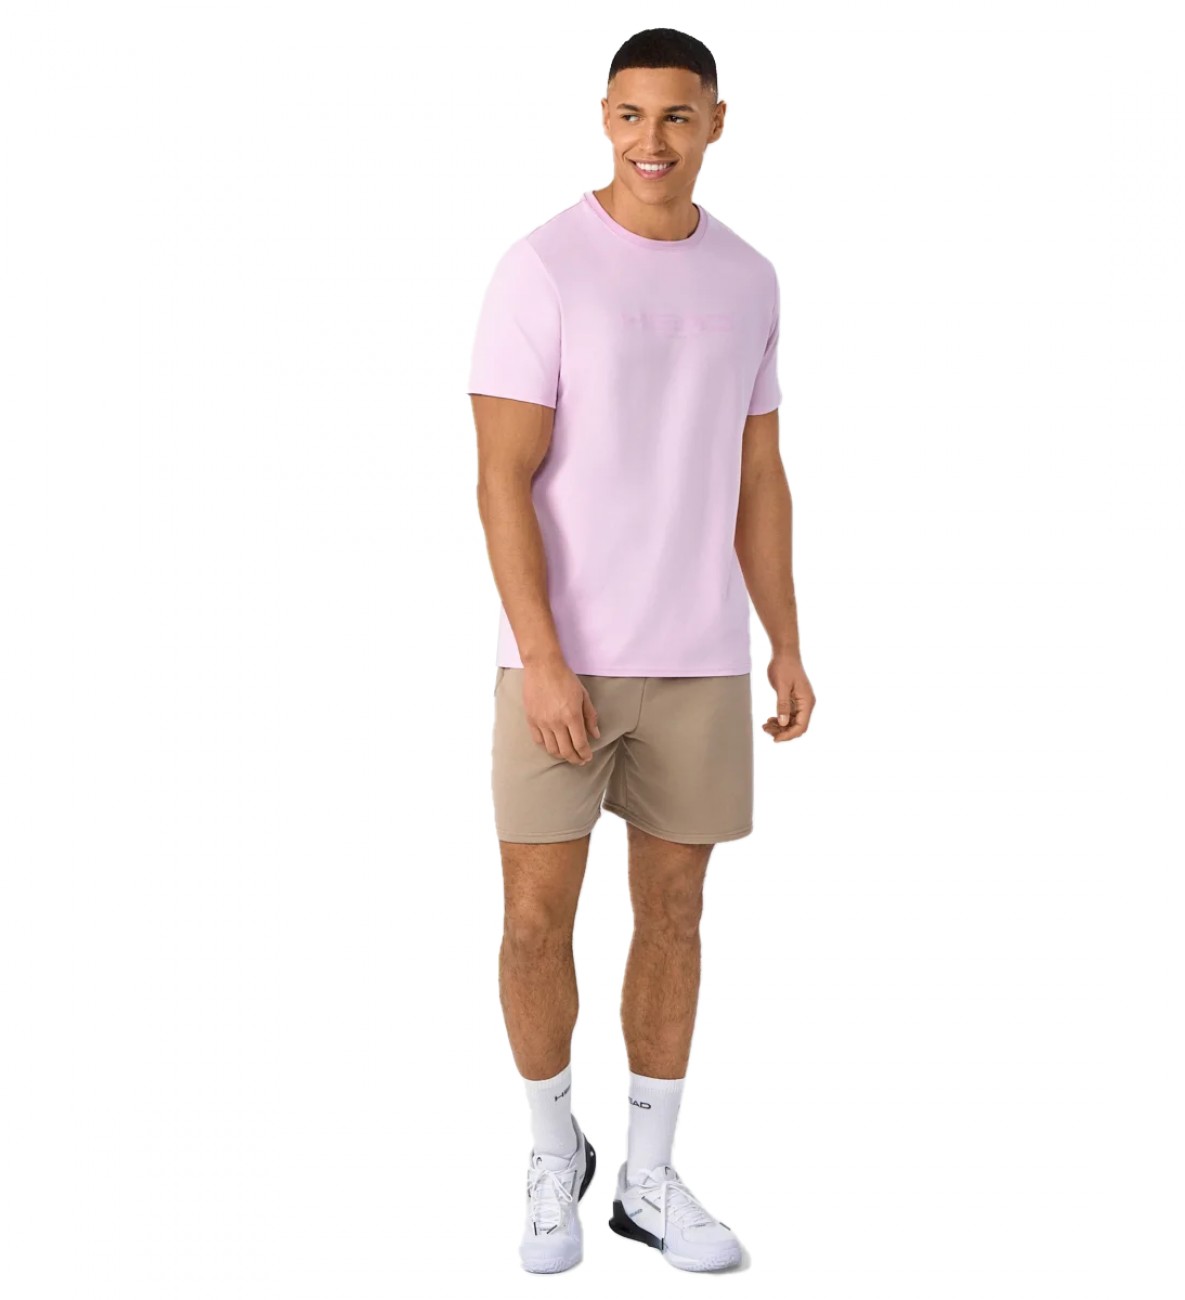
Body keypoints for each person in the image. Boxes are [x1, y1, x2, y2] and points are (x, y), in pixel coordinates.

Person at [467, 27, 815, 1274]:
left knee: (675, 913)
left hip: (699, 659)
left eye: (675, 115)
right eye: (630, 115)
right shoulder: (543, 268)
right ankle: (550, 1151)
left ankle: (649, 1179)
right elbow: (501, 480)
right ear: (602, 119)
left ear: (716, 121)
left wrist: (784, 640)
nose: (650, 140)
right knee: (532, 922)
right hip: (559, 661)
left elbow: (758, 474)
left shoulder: (749, 278)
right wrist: (542, 656)